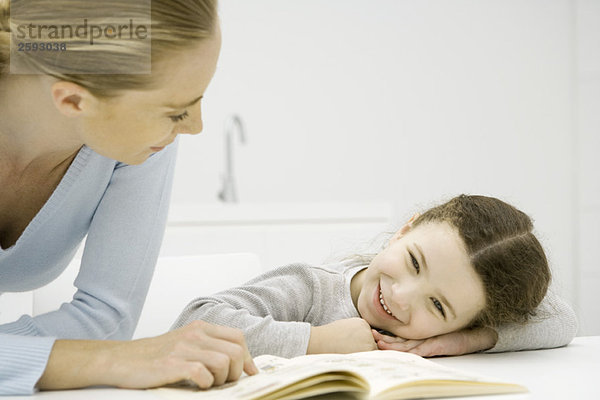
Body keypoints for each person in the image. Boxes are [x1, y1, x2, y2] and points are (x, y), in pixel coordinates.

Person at [0, 0, 258, 395]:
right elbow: (107, 346)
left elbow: (107, 320)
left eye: (197, 102)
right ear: (72, 100)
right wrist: (110, 360)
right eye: (176, 112)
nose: (196, 127)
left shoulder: (135, 144)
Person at [173, 195, 578, 358]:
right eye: (415, 262)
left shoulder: (451, 332)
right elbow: (194, 323)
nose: (402, 297)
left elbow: (562, 320)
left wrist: (462, 340)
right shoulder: (313, 288)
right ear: (404, 230)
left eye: (437, 305)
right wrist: (317, 341)